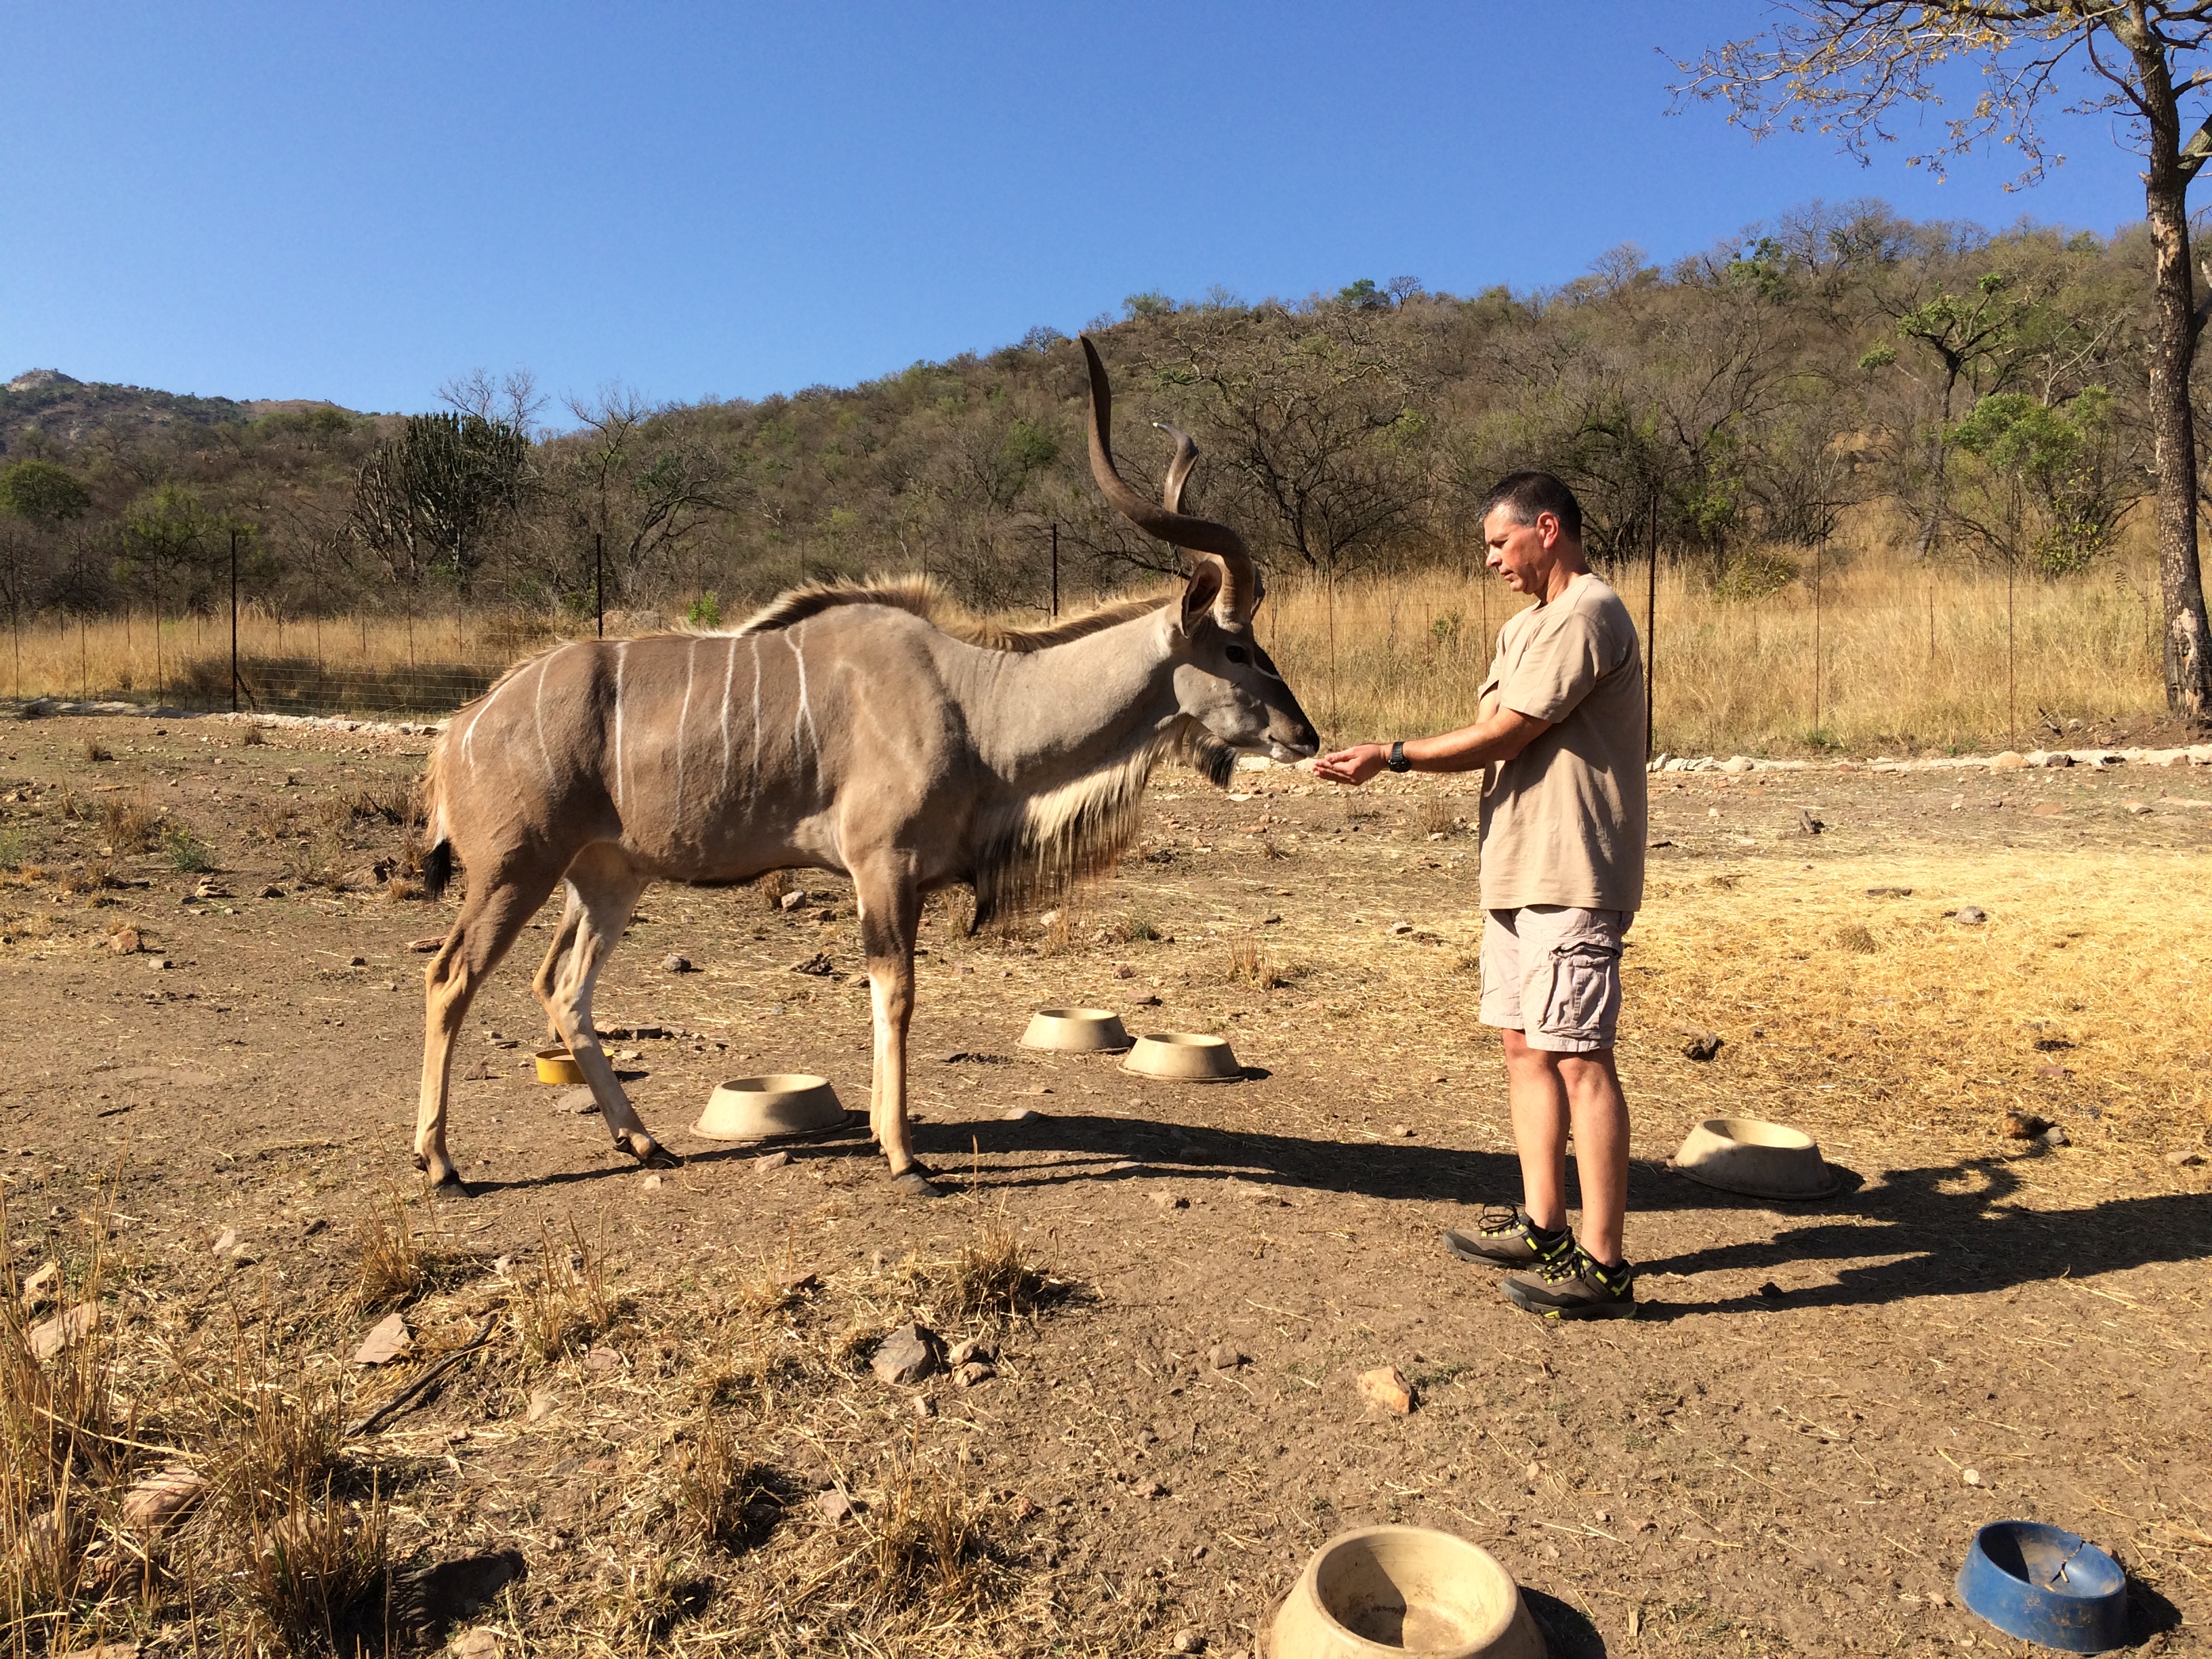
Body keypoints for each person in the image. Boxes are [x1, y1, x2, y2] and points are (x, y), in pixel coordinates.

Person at [1313, 472, 1647, 1319]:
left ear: (1546, 528)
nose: (1492, 559)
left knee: (1579, 1058)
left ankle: (1604, 1268)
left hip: (1573, 870)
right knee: (1525, 1050)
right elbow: (1498, 736)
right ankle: (1545, 1228)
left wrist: (1390, 755)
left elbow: (1507, 732)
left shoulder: (1588, 613)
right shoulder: (1522, 628)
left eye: (1500, 543)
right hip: (1515, 867)